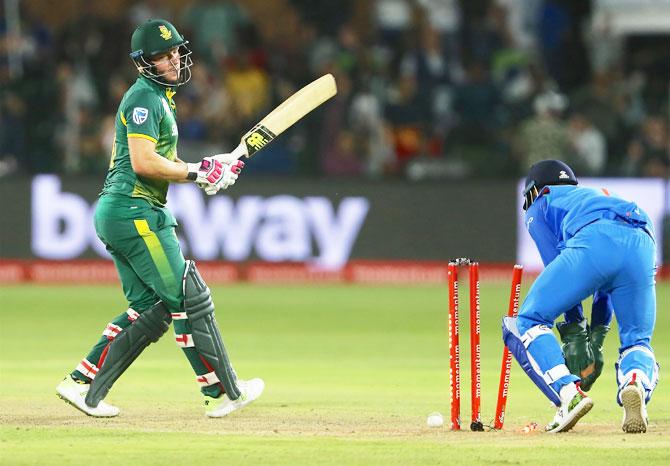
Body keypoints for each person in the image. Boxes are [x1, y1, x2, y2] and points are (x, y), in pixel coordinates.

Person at [56, 19, 264, 418]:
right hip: (134, 212)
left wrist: (210, 165)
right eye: (163, 56)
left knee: (151, 308)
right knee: (189, 295)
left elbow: (163, 162)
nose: (173, 60)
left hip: (124, 212)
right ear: (143, 62)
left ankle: (81, 384)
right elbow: (144, 162)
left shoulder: (160, 97)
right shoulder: (143, 99)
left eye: (175, 52)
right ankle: (225, 392)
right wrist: (197, 172)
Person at [503, 159, 659, 433]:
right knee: (637, 341)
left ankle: (568, 395)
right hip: (642, 242)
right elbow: (606, 283)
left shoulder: (541, 201)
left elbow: (556, 262)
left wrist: (576, 331)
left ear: (533, 191)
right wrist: (597, 336)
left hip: (595, 238)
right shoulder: (596, 195)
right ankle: (634, 381)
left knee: (528, 320)